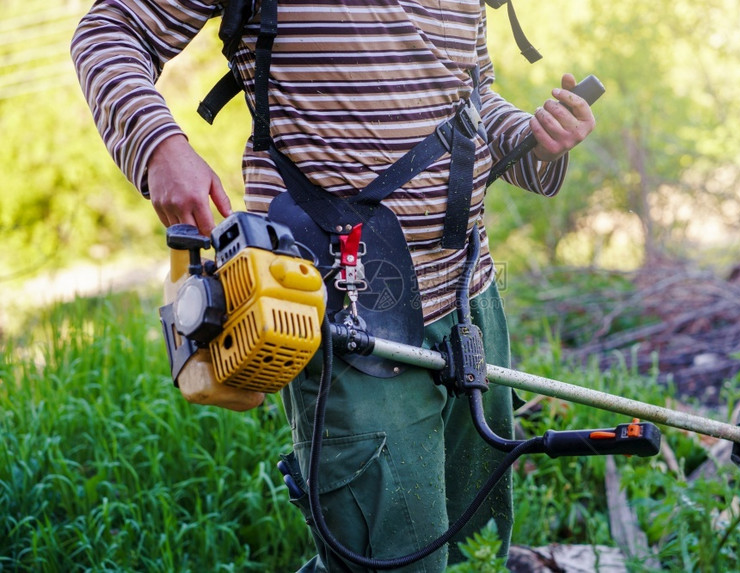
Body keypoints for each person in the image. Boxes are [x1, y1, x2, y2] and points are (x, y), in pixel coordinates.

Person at [72, 1, 595, 571]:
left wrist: (533, 137)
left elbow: (469, 97)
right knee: (397, 562)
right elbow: (108, 31)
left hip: (470, 301)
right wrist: (159, 148)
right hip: (341, 306)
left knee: (476, 556)